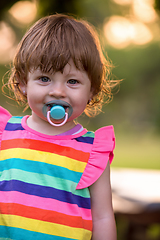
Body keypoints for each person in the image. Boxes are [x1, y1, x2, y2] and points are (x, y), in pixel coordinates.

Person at [0, 14, 118, 240]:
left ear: (91, 89)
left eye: (72, 81)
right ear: (23, 82)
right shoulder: (5, 134)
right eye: (44, 78)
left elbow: (102, 217)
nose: (57, 91)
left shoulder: (94, 152)